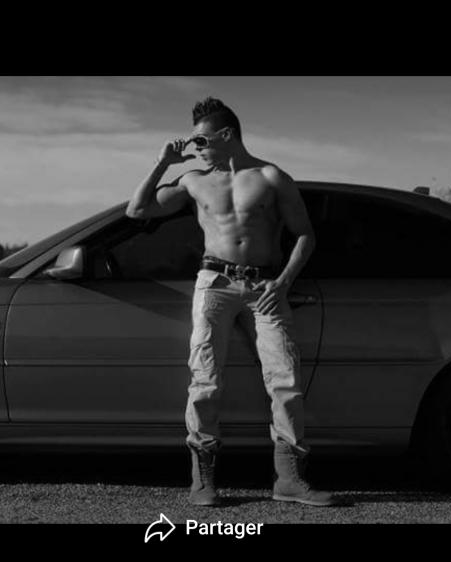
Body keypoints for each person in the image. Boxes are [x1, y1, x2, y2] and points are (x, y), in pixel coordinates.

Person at [126, 97, 336, 507]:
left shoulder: (271, 177)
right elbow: (137, 210)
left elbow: (305, 235)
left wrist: (283, 282)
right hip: (214, 284)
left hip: (265, 287)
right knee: (205, 379)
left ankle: (289, 479)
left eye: (201, 141)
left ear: (227, 134)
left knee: (285, 380)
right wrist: (163, 163)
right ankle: (202, 479)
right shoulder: (193, 180)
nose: (196, 148)